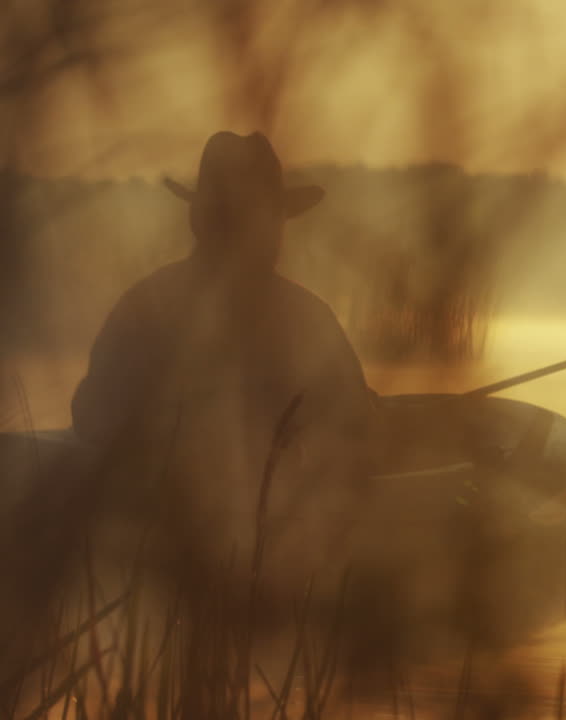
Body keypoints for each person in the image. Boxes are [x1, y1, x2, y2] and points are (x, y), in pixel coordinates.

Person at [71, 131, 377, 605]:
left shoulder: (147, 300)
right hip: (259, 547)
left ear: (201, 220)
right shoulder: (304, 316)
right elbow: (357, 423)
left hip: (140, 549)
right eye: (270, 220)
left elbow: (90, 411)